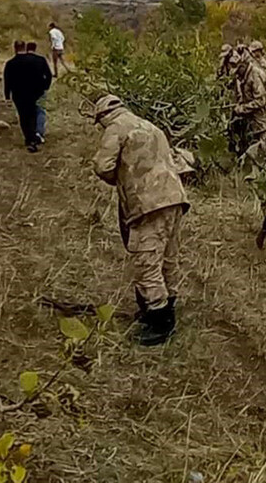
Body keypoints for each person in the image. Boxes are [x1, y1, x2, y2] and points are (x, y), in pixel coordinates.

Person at [90, 94, 189, 346]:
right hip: (174, 198)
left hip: (148, 203)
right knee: (168, 256)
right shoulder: (150, 125)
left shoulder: (116, 127)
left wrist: (121, 179)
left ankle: (160, 320)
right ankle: (168, 303)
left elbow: (102, 165)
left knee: (146, 262)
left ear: (103, 116)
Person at [4, 40, 52, 152]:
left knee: (23, 116)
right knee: (34, 115)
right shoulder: (37, 60)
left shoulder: (10, 63)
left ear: (15, 48)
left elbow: (7, 81)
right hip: (36, 92)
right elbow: (48, 75)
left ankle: (29, 138)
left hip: (19, 94)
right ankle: (34, 137)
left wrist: (7, 95)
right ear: (24, 47)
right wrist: (45, 87)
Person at [233, 46, 266, 149]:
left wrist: (242, 108)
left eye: (238, 71)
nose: (237, 74)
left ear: (243, 66)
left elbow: (261, 101)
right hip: (260, 121)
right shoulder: (244, 76)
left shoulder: (255, 75)